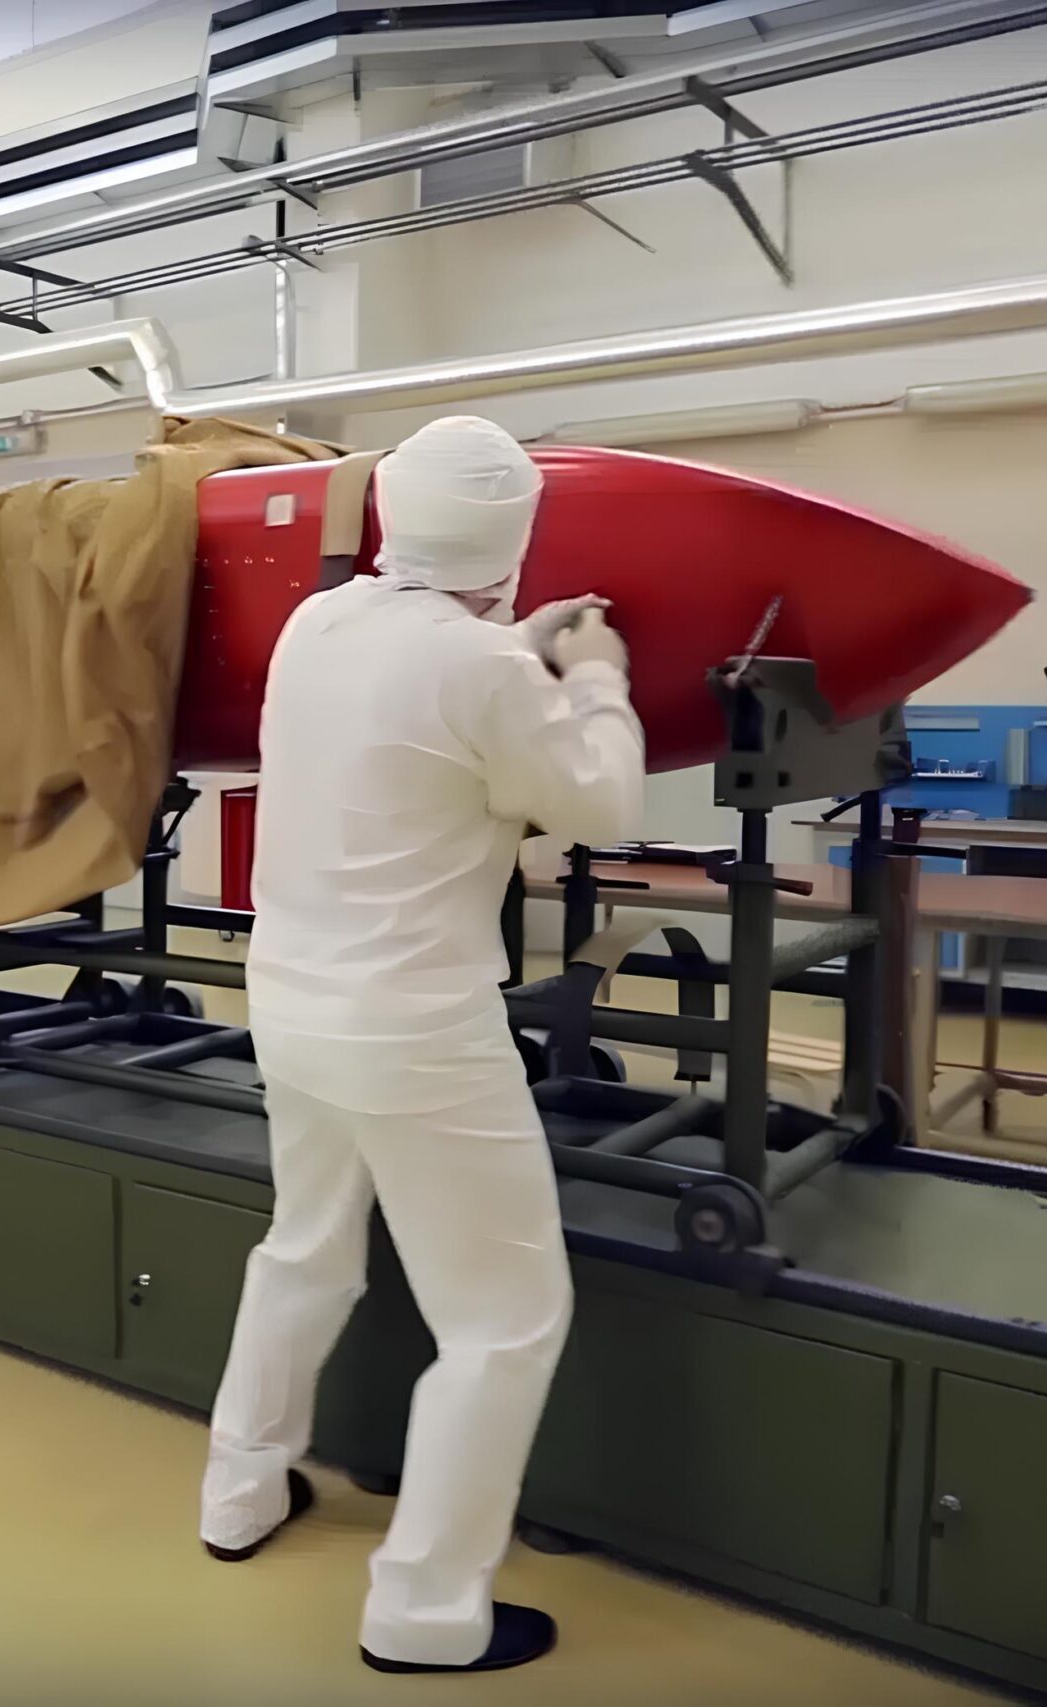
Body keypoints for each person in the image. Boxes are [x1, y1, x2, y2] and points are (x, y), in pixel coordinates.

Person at [197, 415, 646, 1674]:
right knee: (502, 1322)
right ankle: (425, 1610)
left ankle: (240, 1489)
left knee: (304, 1248)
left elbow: (417, 694)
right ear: (512, 541)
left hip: (290, 1004)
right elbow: (600, 802)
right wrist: (594, 672)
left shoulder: (318, 624)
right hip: (415, 1031)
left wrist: (516, 641)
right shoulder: (489, 669)